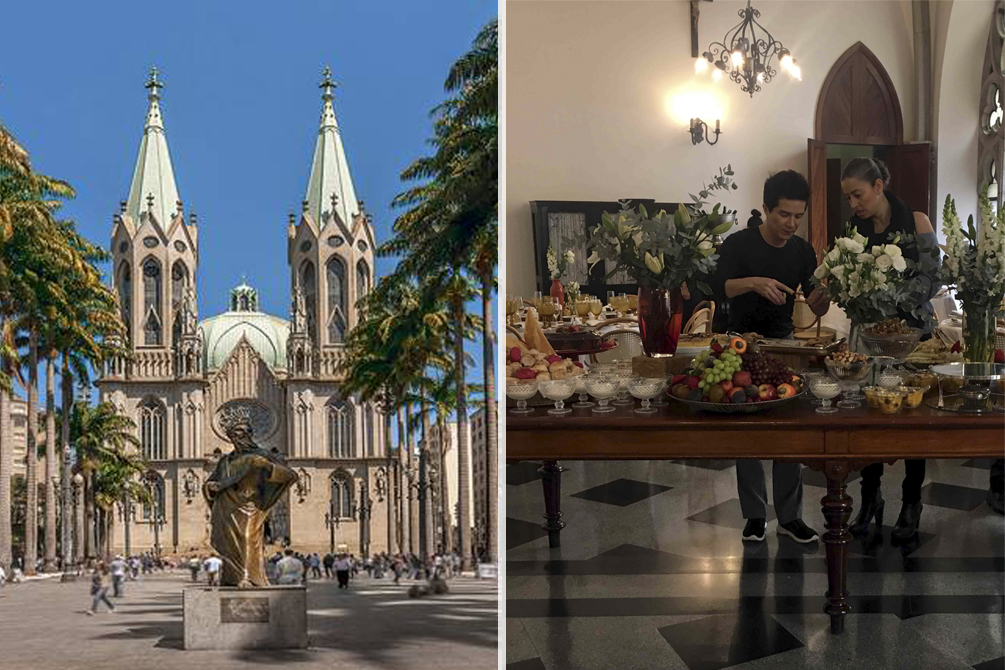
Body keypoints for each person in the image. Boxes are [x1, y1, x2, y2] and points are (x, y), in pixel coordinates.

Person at [712, 170, 827, 544]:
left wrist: (829, 291)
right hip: (738, 343)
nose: (791, 224)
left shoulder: (802, 250)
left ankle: (791, 516)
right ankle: (756, 515)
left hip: (783, 344)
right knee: (747, 431)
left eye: (798, 216)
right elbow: (717, 287)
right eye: (783, 215)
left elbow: (814, 297)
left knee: (788, 432)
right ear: (765, 209)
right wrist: (753, 282)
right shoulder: (738, 244)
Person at [840, 158, 942, 540]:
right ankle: (871, 499)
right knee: (871, 416)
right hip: (870, 335)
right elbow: (847, 279)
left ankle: (911, 502)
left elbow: (935, 277)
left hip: (914, 334)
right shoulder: (855, 229)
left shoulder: (917, 221)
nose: (854, 203)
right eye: (849, 196)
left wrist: (894, 298)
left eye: (858, 194)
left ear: (879, 187)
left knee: (913, 418)